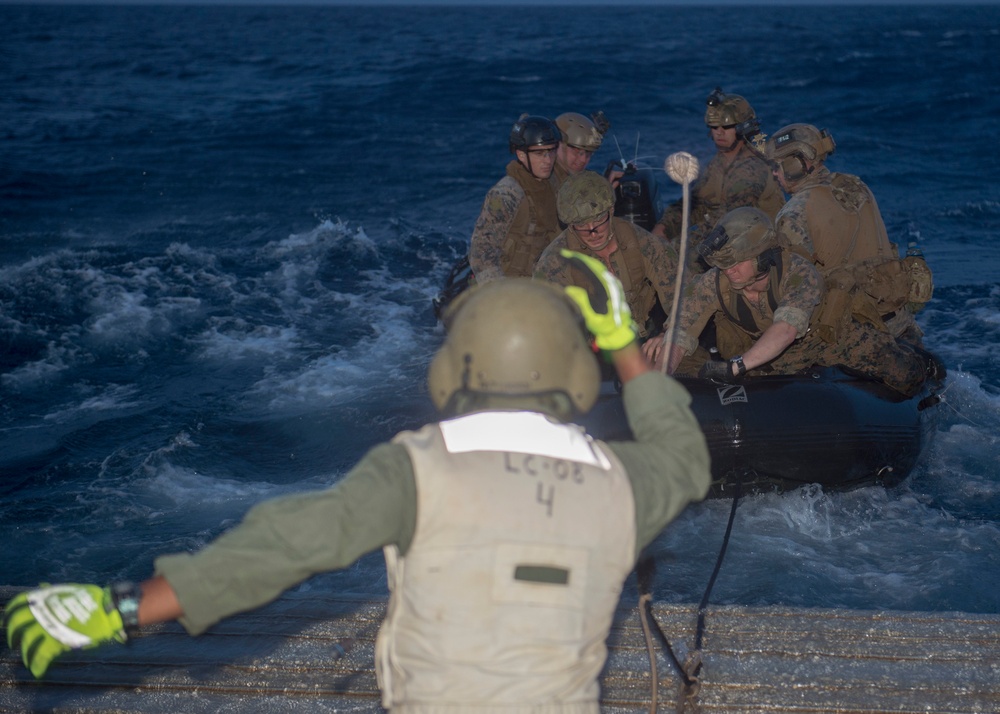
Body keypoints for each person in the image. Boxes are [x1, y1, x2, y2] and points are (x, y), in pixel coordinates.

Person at [5, 259, 712, 714]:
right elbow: (684, 460)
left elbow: (282, 546)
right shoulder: (618, 484)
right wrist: (623, 345)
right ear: (573, 371)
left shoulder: (416, 469)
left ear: (456, 366)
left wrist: (115, 607)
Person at [645, 207, 931, 397]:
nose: (728, 270)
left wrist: (736, 366)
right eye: (723, 264)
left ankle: (922, 360)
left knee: (903, 373)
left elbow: (786, 329)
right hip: (773, 356)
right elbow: (680, 334)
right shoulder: (715, 281)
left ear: (763, 257)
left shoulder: (797, 273)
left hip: (828, 340)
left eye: (736, 262)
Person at [765, 123, 932, 344]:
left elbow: (794, 288)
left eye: (777, 165)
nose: (775, 173)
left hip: (853, 336)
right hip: (900, 325)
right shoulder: (856, 185)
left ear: (796, 164)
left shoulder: (793, 213)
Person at [535, 170, 681, 343]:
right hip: (591, 351)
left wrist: (666, 336)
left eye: (598, 220)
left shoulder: (640, 242)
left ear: (611, 211)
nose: (592, 232)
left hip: (644, 335)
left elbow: (681, 296)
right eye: (581, 224)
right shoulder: (554, 263)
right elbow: (549, 327)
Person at [652, 88, 784, 268]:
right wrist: (664, 228)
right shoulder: (718, 164)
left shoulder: (753, 168)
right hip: (725, 242)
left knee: (681, 264)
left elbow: (728, 221)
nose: (719, 132)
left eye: (726, 127)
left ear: (743, 127)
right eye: (714, 127)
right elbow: (694, 204)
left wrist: (675, 247)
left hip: (754, 251)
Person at [469, 114, 562, 283]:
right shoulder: (507, 194)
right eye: (539, 153)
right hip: (509, 287)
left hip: (540, 282)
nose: (547, 160)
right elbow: (481, 251)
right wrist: (502, 296)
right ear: (521, 155)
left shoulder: (552, 184)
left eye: (551, 151)